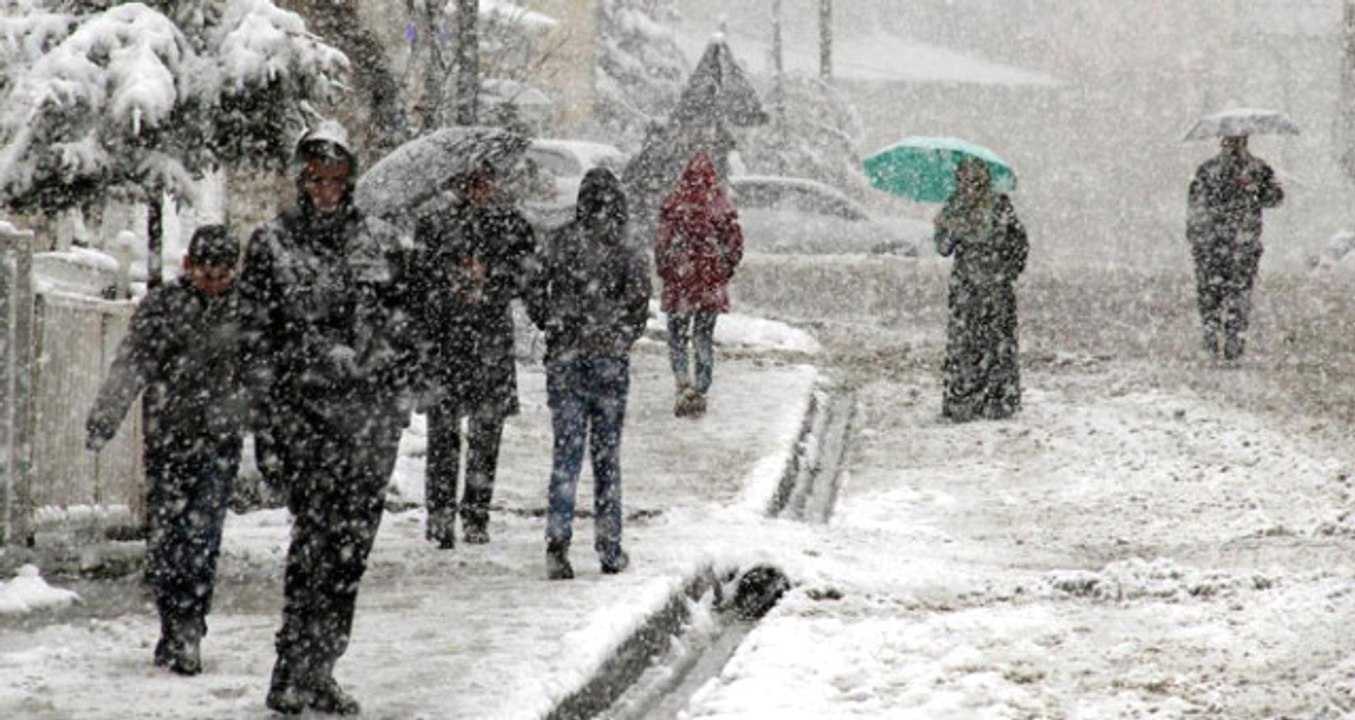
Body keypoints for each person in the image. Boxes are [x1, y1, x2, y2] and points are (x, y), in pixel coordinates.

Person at [237, 120, 414, 716]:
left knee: (350, 553)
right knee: (313, 545)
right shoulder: (273, 244)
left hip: (368, 424)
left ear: (351, 180)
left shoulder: (381, 243)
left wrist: (386, 373)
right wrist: (268, 422)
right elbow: (255, 341)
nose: (326, 191)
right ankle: (291, 667)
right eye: (316, 179)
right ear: (301, 180)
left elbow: (407, 327)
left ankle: (322, 667)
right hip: (305, 421)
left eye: (336, 179)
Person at [84, 224, 244, 677]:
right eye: (206, 273)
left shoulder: (246, 310)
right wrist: (105, 417)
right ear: (189, 266)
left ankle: (190, 626)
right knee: (168, 540)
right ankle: (173, 622)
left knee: (203, 539)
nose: (214, 283)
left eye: (223, 275)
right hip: (169, 440)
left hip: (219, 441)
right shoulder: (162, 307)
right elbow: (132, 364)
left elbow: (263, 373)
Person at [526, 168, 651, 580]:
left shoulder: (559, 240)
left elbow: (532, 285)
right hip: (608, 360)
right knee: (606, 457)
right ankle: (609, 546)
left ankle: (557, 543)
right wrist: (621, 335)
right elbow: (639, 298)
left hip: (565, 358)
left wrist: (551, 320)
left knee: (566, 454)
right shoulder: (626, 243)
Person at [409, 161, 536, 549]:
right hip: (447, 341)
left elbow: (525, 276)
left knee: (486, 434)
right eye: (473, 183)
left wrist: (490, 277)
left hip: (489, 343)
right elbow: (419, 282)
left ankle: (476, 514)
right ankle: (441, 516)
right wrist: (452, 281)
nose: (480, 191)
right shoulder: (434, 225)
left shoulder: (511, 225)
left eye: (485, 183)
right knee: (443, 434)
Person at [933, 157, 1029, 422]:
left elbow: (1018, 243)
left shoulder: (999, 205)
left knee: (997, 343)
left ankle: (997, 401)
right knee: (965, 343)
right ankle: (963, 402)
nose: (970, 184)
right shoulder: (954, 206)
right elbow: (943, 249)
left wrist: (1006, 271)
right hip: (966, 288)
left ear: (984, 179)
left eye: (975, 178)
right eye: (964, 178)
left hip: (996, 287)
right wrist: (944, 227)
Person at [654, 150, 744, 418]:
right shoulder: (721, 206)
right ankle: (702, 387)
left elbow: (662, 244)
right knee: (703, 336)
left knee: (677, 336)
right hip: (708, 284)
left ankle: (683, 381)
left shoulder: (674, 204)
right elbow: (735, 245)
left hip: (680, 283)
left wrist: (668, 272)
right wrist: (723, 271)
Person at [1187, 134, 1284, 361]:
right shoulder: (1208, 170)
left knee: (1237, 296)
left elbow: (1276, 198)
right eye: (1229, 142)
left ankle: (1232, 344)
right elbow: (1195, 204)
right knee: (1211, 296)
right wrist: (1197, 236)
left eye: (1237, 141)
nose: (1232, 147)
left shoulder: (1258, 169)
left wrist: (1255, 188)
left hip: (1241, 245)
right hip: (1213, 244)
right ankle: (1213, 342)